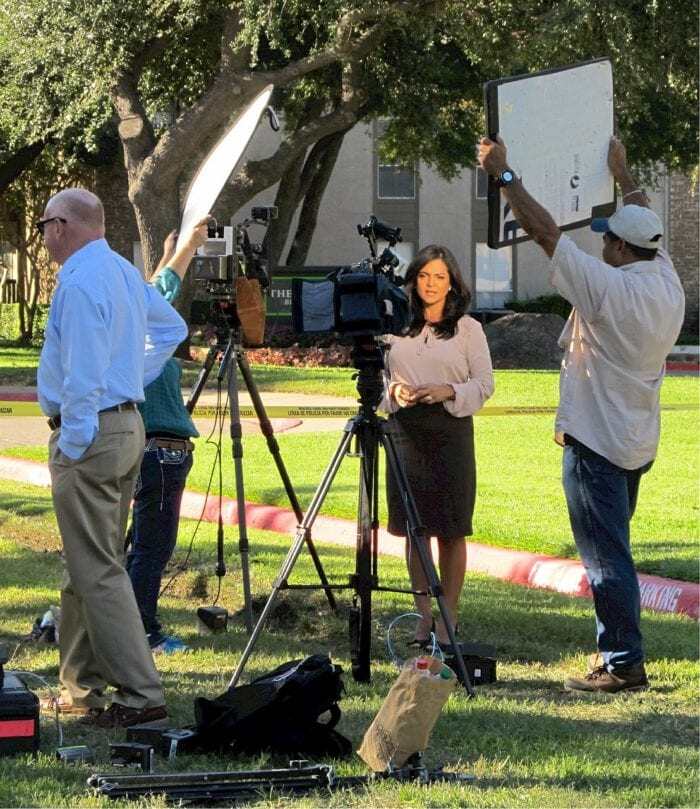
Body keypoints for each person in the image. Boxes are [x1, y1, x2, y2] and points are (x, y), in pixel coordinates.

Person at [478, 135, 685, 693]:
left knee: (606, 559)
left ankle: (622, 664)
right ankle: (618, 655)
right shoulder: (666, 282)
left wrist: (504, 175)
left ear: (620, 249)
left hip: (595, 441)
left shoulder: (608, 289)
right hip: (636, 441)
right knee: (615, 549)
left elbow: (547, 235)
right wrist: (623, 172)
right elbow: (646, 216)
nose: (602, 248)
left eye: (607, 241)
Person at [36, 188, 187, 728]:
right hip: (127, 426)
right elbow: (172, 328)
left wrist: (74, 438)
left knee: (97, 569)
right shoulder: (122, 270)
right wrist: (131, 382)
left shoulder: (78, 282)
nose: (44, 235)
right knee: (86, 564)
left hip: (92, 433)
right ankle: (81, 689)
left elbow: (80, 375)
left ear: (62, 226)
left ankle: (141, 695)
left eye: (44, 224)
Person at [382, 245, 495, 647]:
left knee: (450, 529)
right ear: (412, 281)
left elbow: (484, 384)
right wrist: (395, 389)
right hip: (404, 430)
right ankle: (423, 615)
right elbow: (377, 378)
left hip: (450, 432)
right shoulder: (395, 325)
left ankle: (449, 615)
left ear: (452, 284)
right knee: (415, 530)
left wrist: (447, 389)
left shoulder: (468, 329)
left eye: (440, 277)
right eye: (425, 276)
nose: (431, 284)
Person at [126, 218, 209, 655]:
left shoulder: (128, 327)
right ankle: (143, 630)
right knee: (151, 547)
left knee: (143, 544)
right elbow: (163, 289)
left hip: (155, 452)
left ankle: (128, 624)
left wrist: (166, 254)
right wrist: (191, 246)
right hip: (160, 454)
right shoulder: (135, 329)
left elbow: (156, 287)